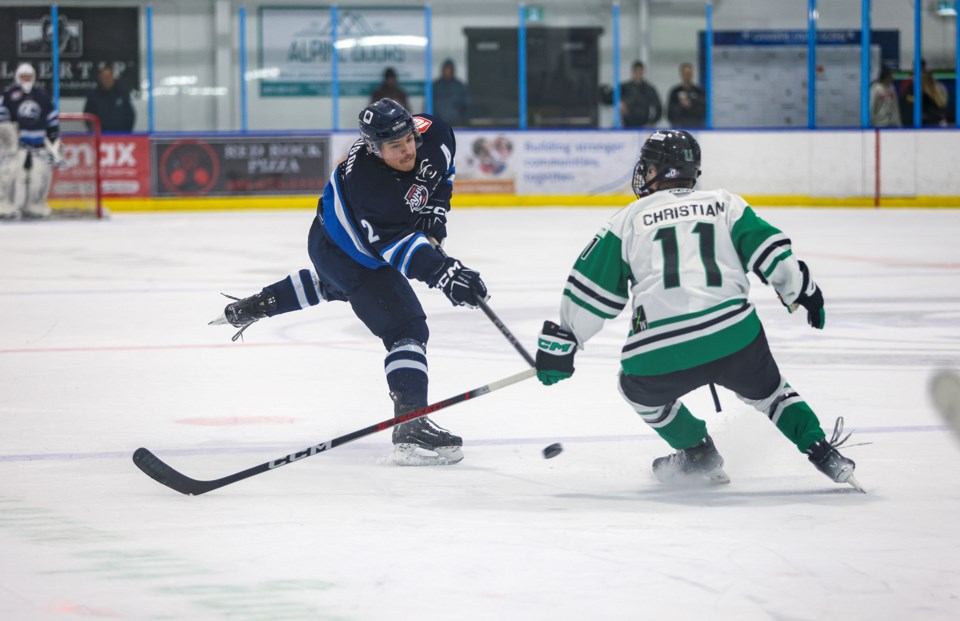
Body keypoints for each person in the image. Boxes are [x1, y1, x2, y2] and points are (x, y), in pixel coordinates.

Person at [534, 129, 861, 491]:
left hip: (660, 351)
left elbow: (590, 292)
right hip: (734, 337)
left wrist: (565, 341)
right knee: (772, 393)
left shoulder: (626, 220)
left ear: (659, 170)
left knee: (633, 388)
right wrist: (804, 291)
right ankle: (823, 452)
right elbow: (774, 256)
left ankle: (696, 450)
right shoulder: (725, 204)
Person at [210, 99, 488, 466]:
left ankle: (260, 304)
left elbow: (443, 173)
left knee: (343, 288)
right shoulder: (372, 190)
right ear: (374, 148)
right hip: (343, 250)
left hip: (333, 238)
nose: (406, 150)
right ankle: (411, 422)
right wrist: (446, 273)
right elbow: (400, 247)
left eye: (408, 139)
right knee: (405, 325)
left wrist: (435, 214)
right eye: (394, 147)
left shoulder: (433, 133)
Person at [0, 63, 61, 220]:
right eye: (23, 77)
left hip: (39, 146)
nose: (26, 79)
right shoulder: (8, 96)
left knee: (39, 177)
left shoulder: (43, 96)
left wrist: (53, 141)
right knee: (9, 175)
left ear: (34, 77)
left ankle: (35, 206)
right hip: (15, 147)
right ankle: (6, 205)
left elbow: (52, 121)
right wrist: (8, 143)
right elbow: (3, 124)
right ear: (17, 77)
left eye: (29, 76)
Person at [83, 66, 135, 132]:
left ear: (112, 77)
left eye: (109, 77)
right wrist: (94, 131)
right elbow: (88, 116)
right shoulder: (93, 95)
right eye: (104, 77)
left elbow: (130, 114)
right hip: (99, 136)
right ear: (100, 79)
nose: (107, 80)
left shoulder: (121, 93)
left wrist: (126, 132)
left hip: (121, 135)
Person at [899, 59, 949, 127]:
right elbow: (904, 103)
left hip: (930, 123)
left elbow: (940, 105)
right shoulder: (908, 84)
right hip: (912, 122)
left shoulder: (935, 87)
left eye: (922, 69)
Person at [620, 61, 662, 128]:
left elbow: (659, 108)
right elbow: (609, 99)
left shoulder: (649, 89)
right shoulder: (624, 88)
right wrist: (619, 103)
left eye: (640, 73)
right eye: (636, 72)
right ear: (632, 72)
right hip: (627, 126)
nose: (638, 75)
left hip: (644, 126)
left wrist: (651, 122)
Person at [666, 62, 706, 128]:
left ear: (692, 74)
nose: (687, 76)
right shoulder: (675, 91)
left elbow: (703, 110)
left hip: (696, 126)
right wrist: (681, 106)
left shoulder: (699, 92)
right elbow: (669, 112)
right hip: (679, 125)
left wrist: (692, 104)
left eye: (689, 74)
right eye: (685, 74)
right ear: (681, 74)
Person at [432, 59, 470, 127]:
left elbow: (466, 105)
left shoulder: (459, 86)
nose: (448, 71)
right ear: (443, 70)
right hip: (439, 123)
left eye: (450, 69)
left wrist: (464, 121)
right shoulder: (436, 86)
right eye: (446, 69)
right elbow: (430, 104)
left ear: (453, 70)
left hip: (457, 124)